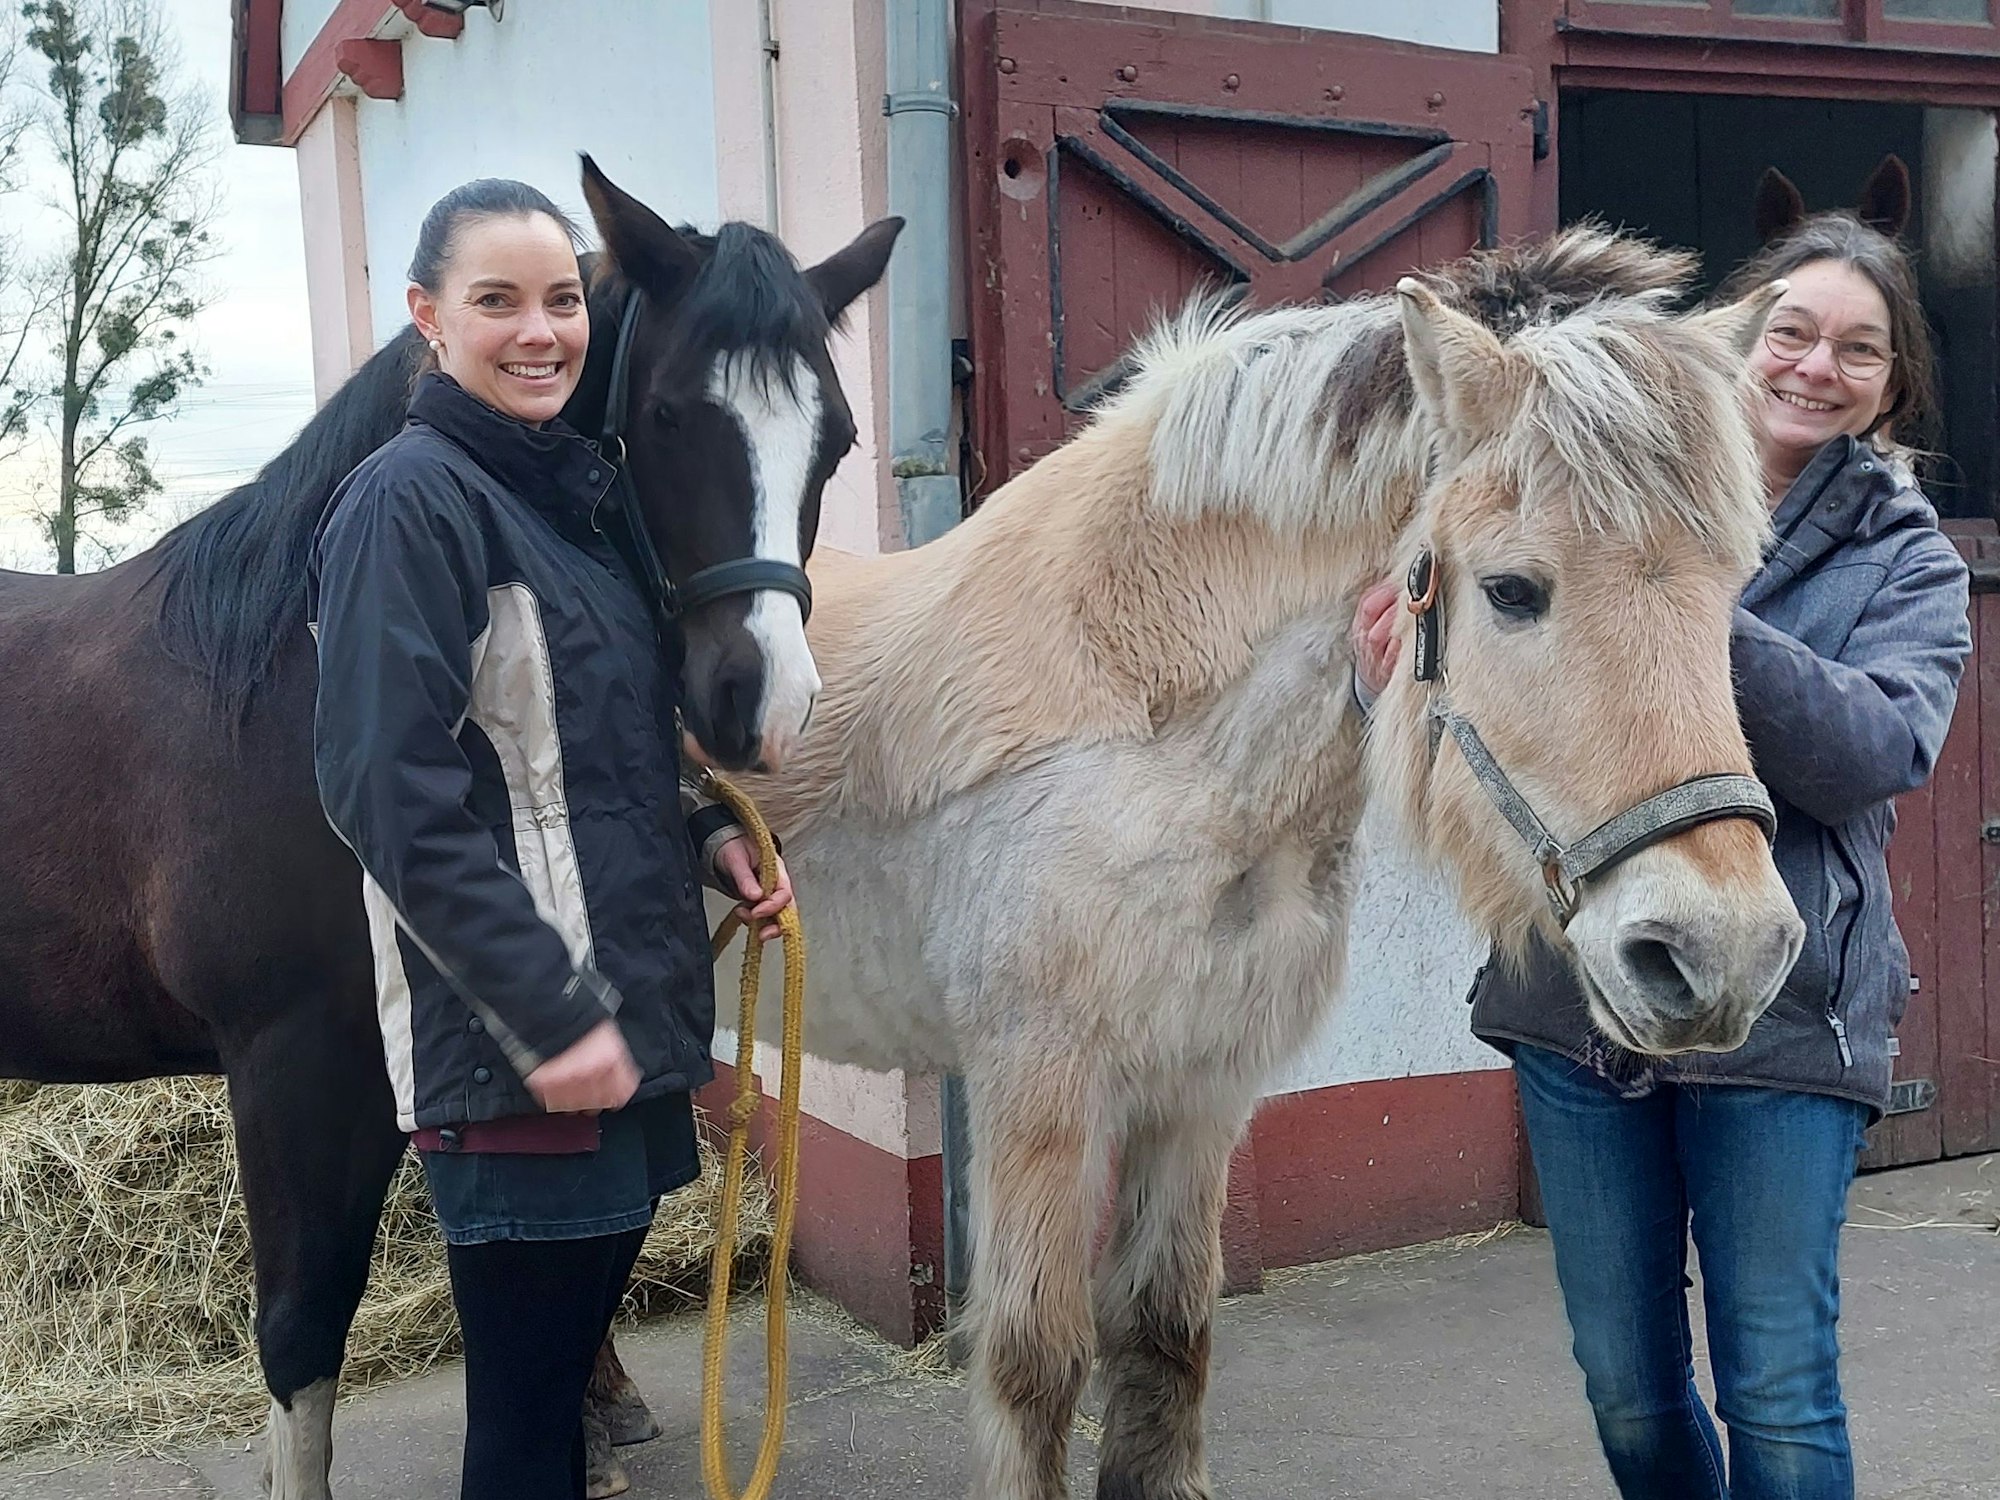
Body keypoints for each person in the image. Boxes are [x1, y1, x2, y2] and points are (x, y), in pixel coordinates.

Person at [1351, 212, 1970, 1499]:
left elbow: (1875, 749)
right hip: (1573, 1000)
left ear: (1890, 383)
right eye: (1789, 331)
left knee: (1777, 1392)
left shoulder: (1902, 554)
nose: (1811, 365)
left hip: (1783, 1010)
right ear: (1740, 344)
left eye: (1856, 349)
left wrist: (1687, 608)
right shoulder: (1562, 485)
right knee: (1625, 1387)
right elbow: (1469, 707)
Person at [308, 179, 793, 1500]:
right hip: (522, 1057)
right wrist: (547, 1010)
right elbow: (387, 795)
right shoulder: (408, 506)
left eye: (563, 300)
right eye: (497, 300)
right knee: (523, 1437)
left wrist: (704, 834)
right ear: (427, 318)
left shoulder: (569, 515)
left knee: (559, 1419)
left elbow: (572, 755)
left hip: (617, 1034)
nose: (541, 330)